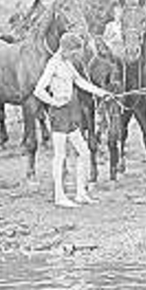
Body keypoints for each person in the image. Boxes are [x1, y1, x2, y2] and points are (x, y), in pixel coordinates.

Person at [33, 31, 113, 208]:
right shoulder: (53, 64)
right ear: (66, 49)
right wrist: (54, 102)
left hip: (70, 112)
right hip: (59, 114)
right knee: (60, 155)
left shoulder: (67, 63)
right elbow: (38, 90)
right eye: (75, 51)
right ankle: (59, 196)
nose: (76, 54)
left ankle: (80, 193)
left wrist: (101, 92)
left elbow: (79, 81)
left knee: (84, 152)